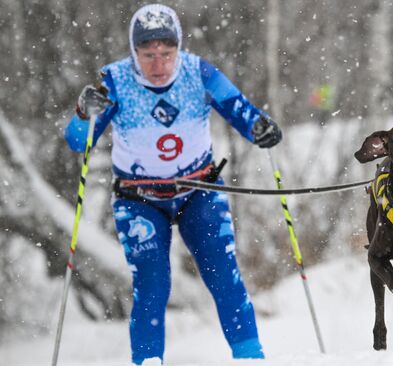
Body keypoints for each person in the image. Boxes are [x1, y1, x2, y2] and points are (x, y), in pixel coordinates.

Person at [64, 4, 282, 366]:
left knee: (224, 278)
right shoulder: (115, 81)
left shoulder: (199, 73)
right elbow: (76, 141)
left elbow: (242, 111)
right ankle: (148, 361)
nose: (159, 64)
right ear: (134, 52)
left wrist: (261, 127)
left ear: (179, 48)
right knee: (152, 286)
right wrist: (84, 112)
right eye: (148, 55)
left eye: (167, 54)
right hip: (139, 199)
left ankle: (251, 358)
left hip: (200, 191)